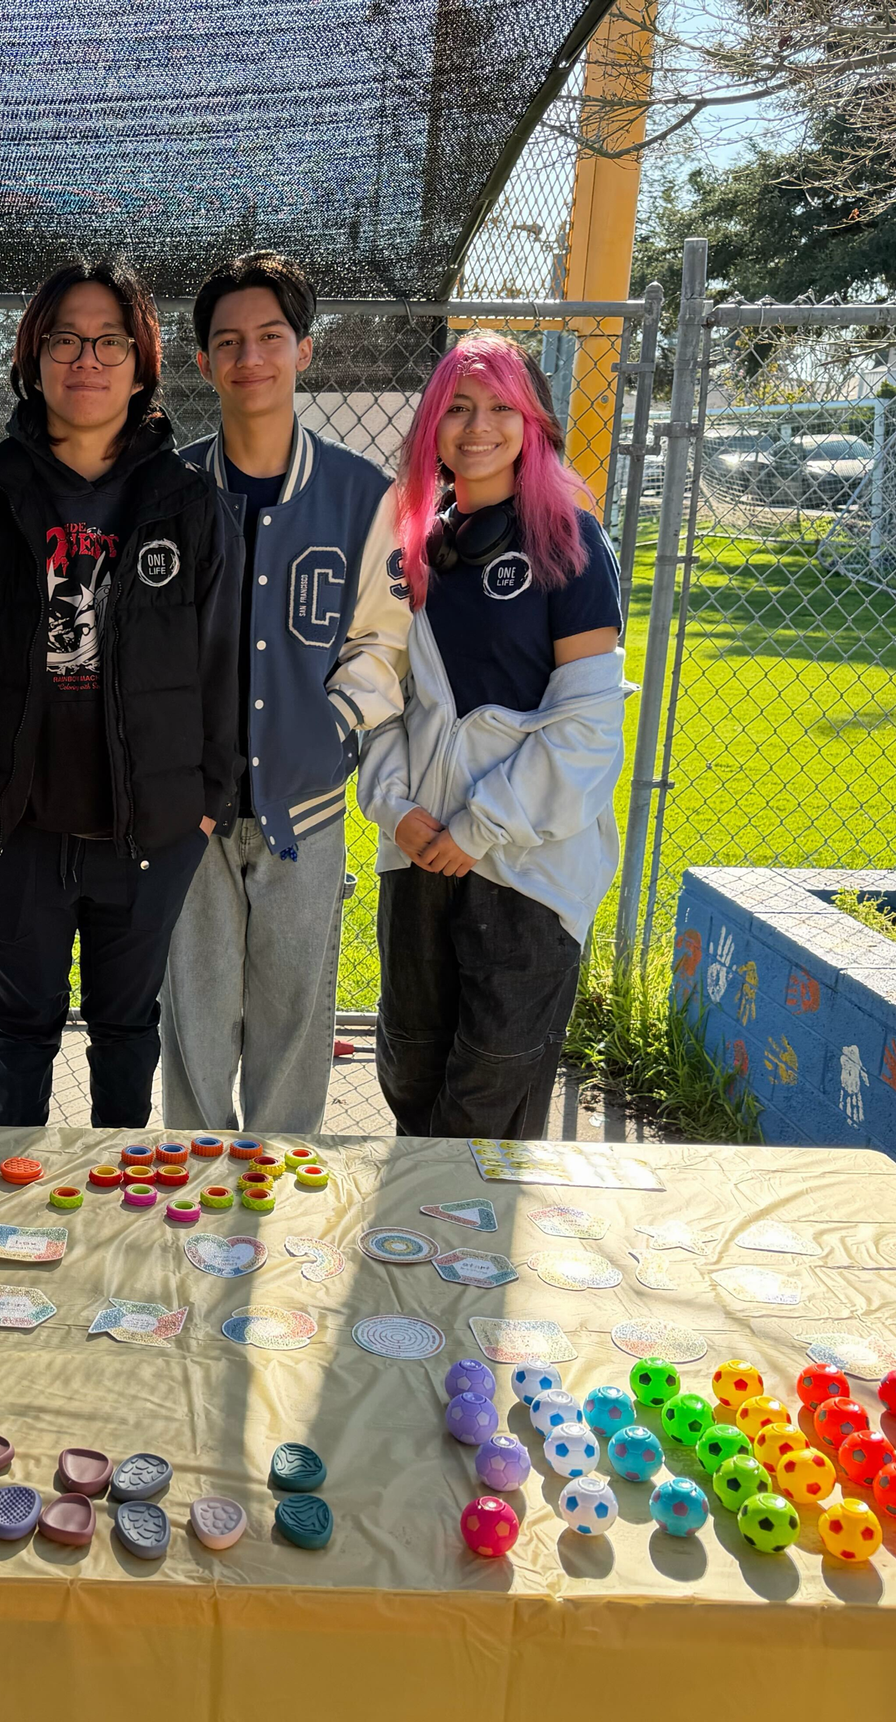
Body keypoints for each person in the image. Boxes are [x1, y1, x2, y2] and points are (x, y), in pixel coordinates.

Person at [0, 256, 241, 1127]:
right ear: (33, 357)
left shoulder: (187, 504)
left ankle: (112, 1207)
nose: (86, 359)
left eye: (108, 340)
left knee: (126, 1026)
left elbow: (222, 669)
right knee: (21, 1029)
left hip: (147, 829)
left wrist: (205, 802)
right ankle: (12, 1194)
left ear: (142, 363)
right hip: (13, 828)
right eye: (65, 338)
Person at [357, 331, 631, 1138]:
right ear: (433, 426)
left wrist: (478, 829)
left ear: (533, 422)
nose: (477, 427)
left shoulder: (571, 546)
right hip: (417, 853)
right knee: (410, 1074)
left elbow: (586, 730)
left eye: (499, 407)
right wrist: (395, 808)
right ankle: (409, 1256)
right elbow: (379, 700)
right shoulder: (407, 551)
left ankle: (467, 1260)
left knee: (485, 1108)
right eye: (458, 408)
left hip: (523, 868)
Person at [160, 251, 409, 1135]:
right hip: (189, 808)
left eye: (270, 337)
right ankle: (191, 1196)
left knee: (295, 1019)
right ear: (203, 364)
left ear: (304, 351)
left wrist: (326, 727)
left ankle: (277, 1203)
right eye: (228, 342)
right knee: (192, 1020)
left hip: (304, 805)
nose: (249, 357)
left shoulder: (361, 495)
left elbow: (384, 641)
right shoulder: (171, 490)